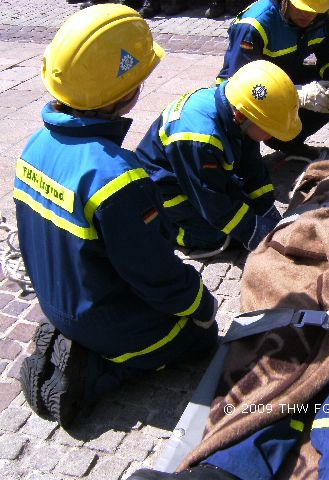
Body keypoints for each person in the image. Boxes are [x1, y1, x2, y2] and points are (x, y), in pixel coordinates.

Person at [126, 155, 329, 480]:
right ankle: (222, 472)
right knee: (278, 363)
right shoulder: (324, 182)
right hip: (303, 258)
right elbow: (293, 220)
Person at [15, 4, 219, 429]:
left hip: (59, 300)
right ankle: (94, 375)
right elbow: (154, 274)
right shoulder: (117, 178)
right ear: (127, 90)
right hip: (104, 317)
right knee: (201, 339)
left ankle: (72, 336)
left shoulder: (34, 147)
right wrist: (201, 303)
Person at [135, 60, 302, 254]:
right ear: (241, 117)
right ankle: (168, 230)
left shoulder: (238, 108)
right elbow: (210, 198)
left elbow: (251, 166)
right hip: (165, 192)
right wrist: (254, 232)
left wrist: (265, 207)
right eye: (269, 129)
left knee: (240, 210)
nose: (271, 136)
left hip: (195, 173)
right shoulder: (200, 138)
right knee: (214, 235)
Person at [215, 0, 329, 162]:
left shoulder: (324, 16)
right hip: (246, 90)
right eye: (301, 7)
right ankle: (240, 157)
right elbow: (239, 84)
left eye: (315, 9)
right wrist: (295, 95)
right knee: (244, 144)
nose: (308, 14)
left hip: (284, 77)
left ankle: (288, 142)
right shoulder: (254, 24)